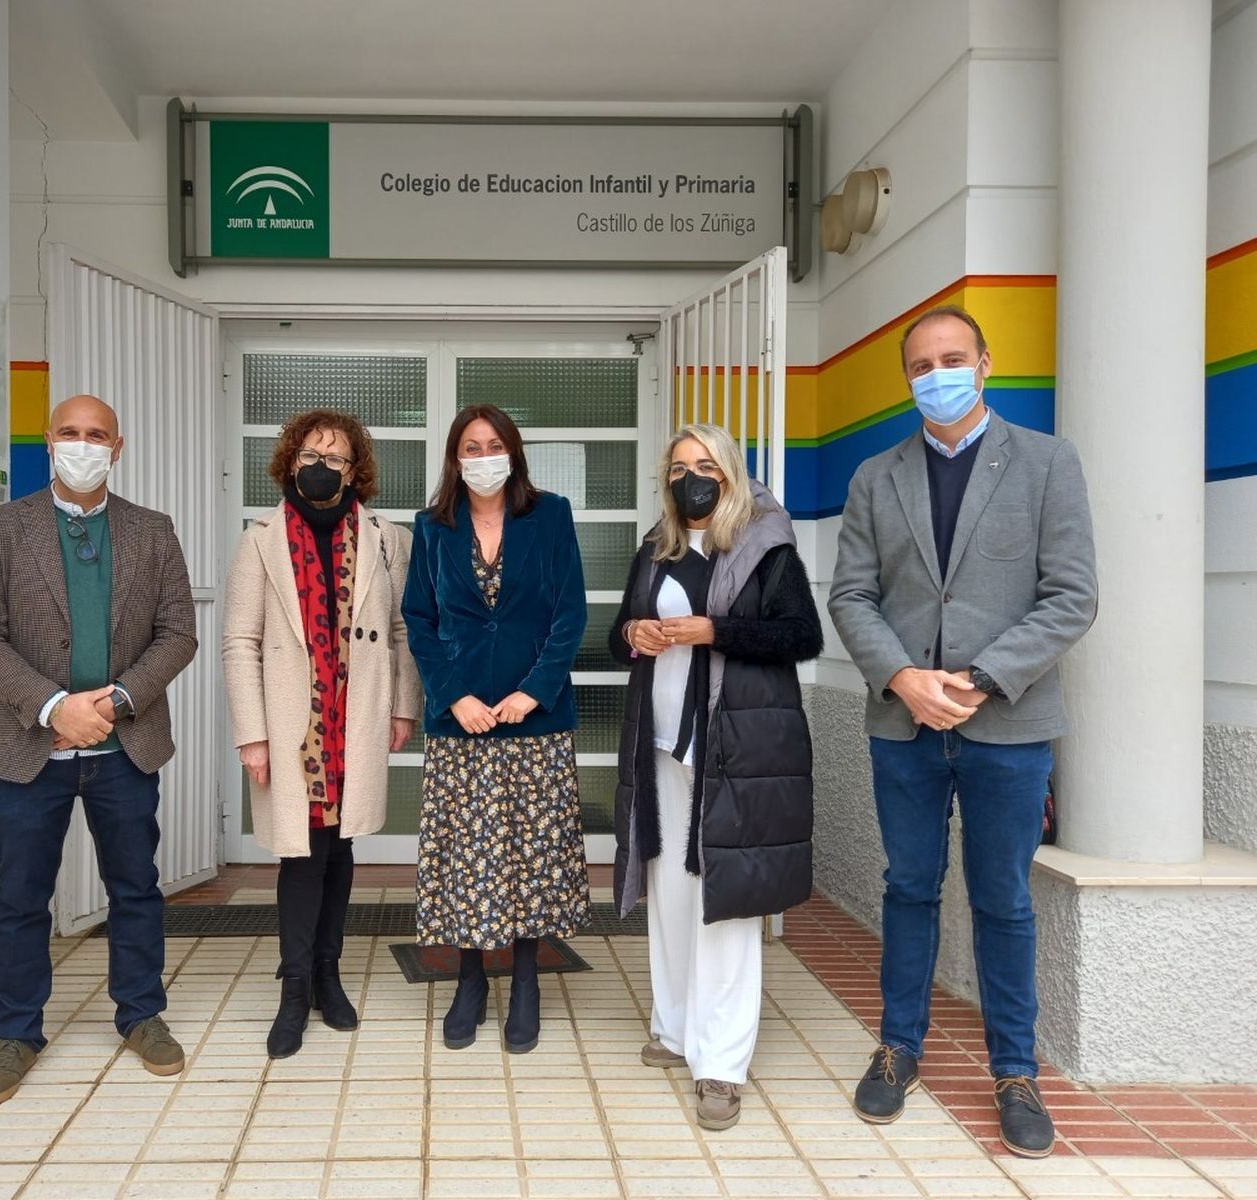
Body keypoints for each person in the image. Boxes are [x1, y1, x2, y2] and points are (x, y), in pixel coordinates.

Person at [828, 306, 1097, 1158]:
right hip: (902, 724)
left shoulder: (1048, 464)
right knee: (908, 887)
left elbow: (1072, 595)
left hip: (1007, 725)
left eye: (952, 358)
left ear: (986, 363)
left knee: (1004, 901)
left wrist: (977, 680)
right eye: (920, 364)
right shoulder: (878, 475)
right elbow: (852, 596)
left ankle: (1014, 1071)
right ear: (906, 379)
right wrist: (905, 678)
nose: (936, 373)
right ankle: (898, 1048)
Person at [0, 393, 198, 1105]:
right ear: (49, 440)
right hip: (27, 748)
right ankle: (17, 1032)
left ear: (117, 448)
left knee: (135, 888)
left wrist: (114, 703)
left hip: (126, 746)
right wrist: (53, 705)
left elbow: (177, 633)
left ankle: (141, 1016)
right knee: (22, 896)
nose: (83, 444)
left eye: (97, 435)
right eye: (71, 433)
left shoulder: (152, 531)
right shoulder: (2, 528)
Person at [609, 424, 822, 1131]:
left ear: (730, 474)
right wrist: (635, 634)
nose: (690, 478)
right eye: (678, 468)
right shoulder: (657, 546)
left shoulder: (764, 544)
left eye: (704, 466)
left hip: (735, 746)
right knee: (670, 888)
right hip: (665, 744)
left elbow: (802, 635)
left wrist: (715, 631)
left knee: (724, 900)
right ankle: (675, 1031)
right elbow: (619, 633)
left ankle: (723, 1066)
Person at [222, 409, 421, 1058]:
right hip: (292, 722)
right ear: (289, 459)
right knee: (300, 854)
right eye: (310, 454)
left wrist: (402, 708)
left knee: (338, 850)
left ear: (355, 468)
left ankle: (329, 977)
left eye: (335, 459)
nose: (320, 467)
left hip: (354, 714)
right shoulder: (261, 537)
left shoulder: (387, 538)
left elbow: (401, 632)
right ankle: (294, 988)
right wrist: (252, 733)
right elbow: (239, 640)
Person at [402, 403, 591, 1055]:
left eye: (494, 445)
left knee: (531, 856)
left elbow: (571, 612)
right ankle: (473, 980)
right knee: (469, 856)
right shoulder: (432, 528)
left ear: (513, 451)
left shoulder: (552, 515)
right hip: (461, 727)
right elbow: (419, 623)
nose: (483, 457)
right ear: (455, 459)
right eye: (471, 447)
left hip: (534, 723)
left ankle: (530, 978)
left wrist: (532, 692)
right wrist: (453, 697)